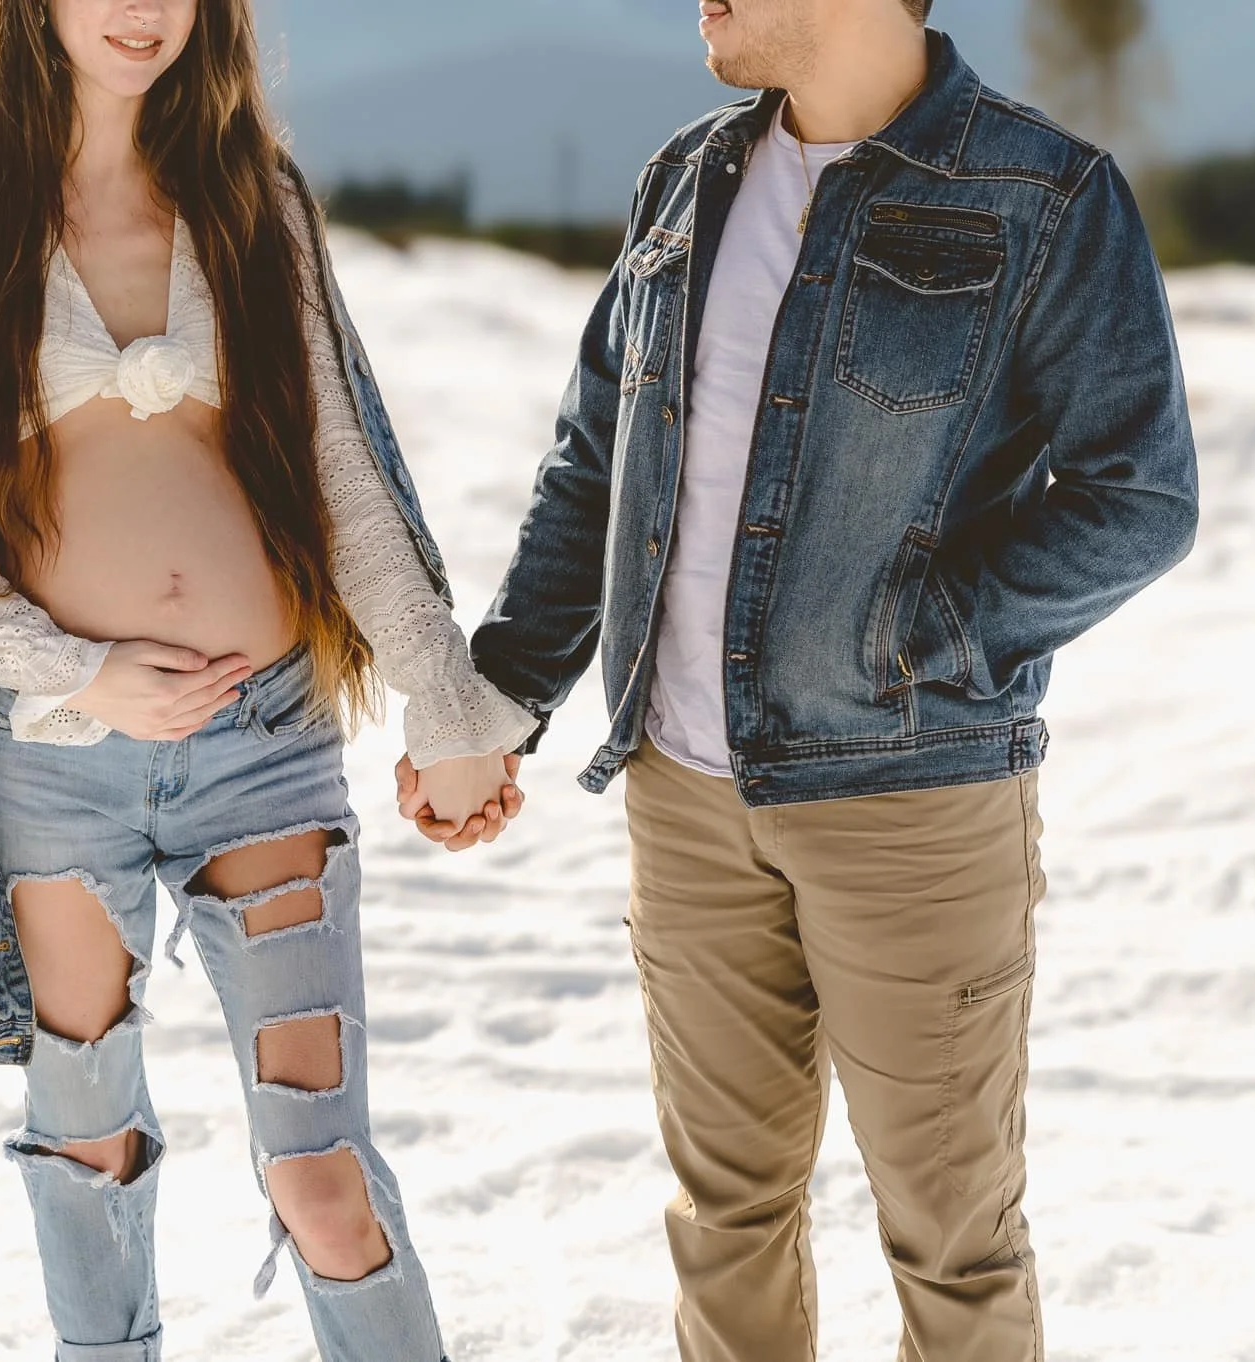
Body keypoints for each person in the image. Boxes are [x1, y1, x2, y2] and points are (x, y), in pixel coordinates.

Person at [398, 1, 1201, 1358]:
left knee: (953, 1244)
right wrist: (499, 700)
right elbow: (597, 466)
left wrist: (925, 640)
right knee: (727, 1215)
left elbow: (1141, 495)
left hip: (912, 808)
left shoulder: (1043, 197)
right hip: (686, 806)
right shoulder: (686, 181)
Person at [0, 2, 535, 1358]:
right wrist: (83, 670)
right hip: (56, 761)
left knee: (323, 1179)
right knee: (88, 1155)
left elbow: (344, 468)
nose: (138, 10)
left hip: (265, 740)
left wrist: (442, 698)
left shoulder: (248, 196)